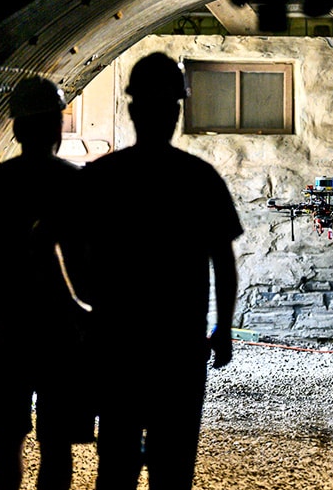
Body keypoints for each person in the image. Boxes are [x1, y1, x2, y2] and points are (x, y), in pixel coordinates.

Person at [80, 52, 243, 490]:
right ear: (177, 110)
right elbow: (223, 263)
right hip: (177, 349)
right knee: (173, 470)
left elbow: (62, 245)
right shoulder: (199, 179)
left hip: (119, 346)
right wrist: (222, 329)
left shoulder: (100, 179)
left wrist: (88, 307)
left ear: (132, 109)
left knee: (115, 464)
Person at [0, 77, 96, 490]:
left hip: (4, 334)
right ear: (58, 127)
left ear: (15, 129)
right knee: (57, 443)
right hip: (65, 335)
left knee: (7, 438)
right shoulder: (79, 184)